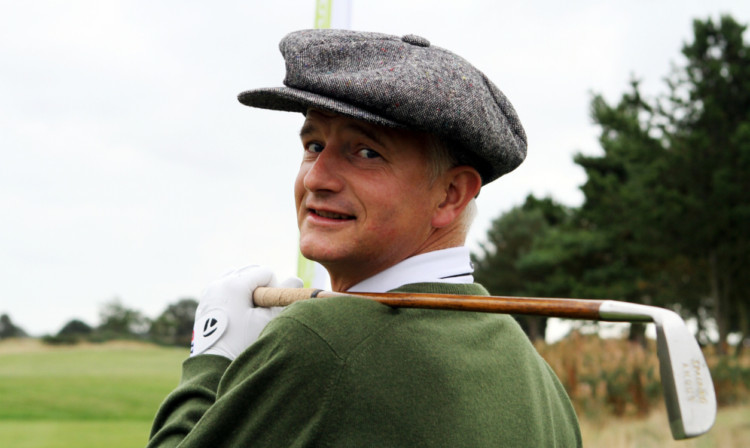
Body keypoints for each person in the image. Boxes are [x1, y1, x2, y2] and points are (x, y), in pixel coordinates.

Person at [147, 29, 582, 447]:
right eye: (314, 145)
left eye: (366, 153)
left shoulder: (321, 341)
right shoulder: (540, 381)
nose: (317, 178)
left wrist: (212, 353)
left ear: (450, 195)